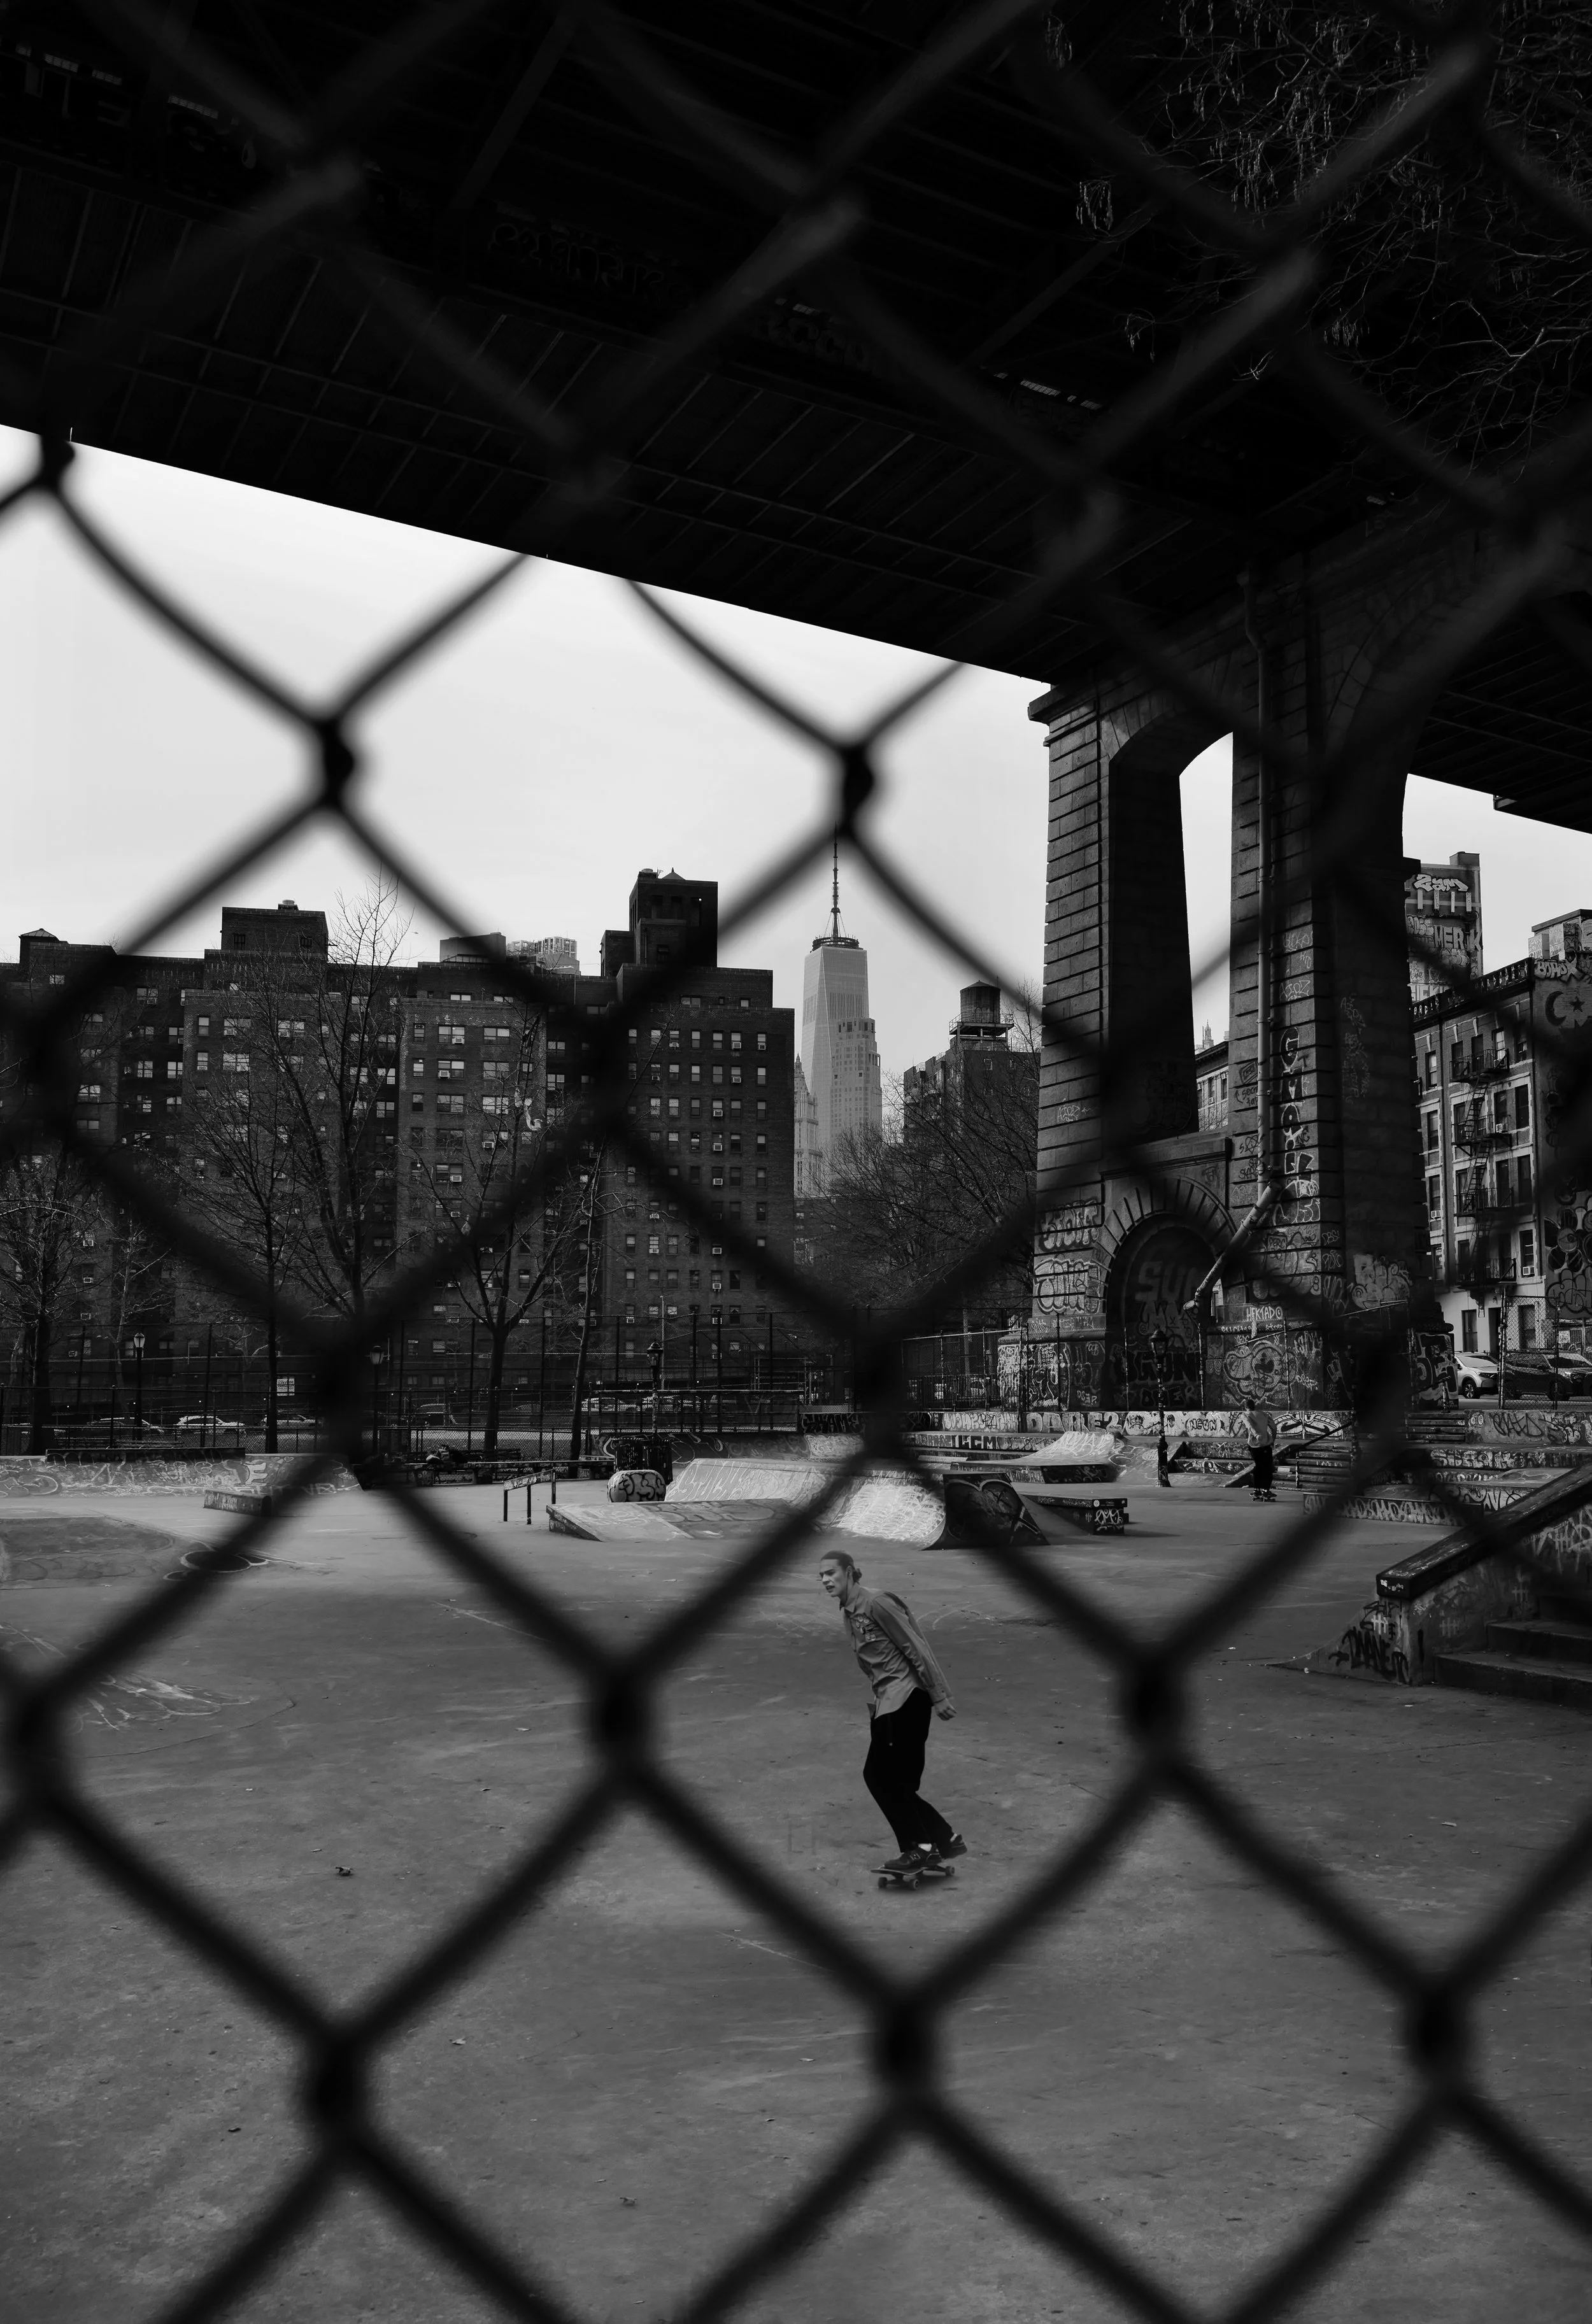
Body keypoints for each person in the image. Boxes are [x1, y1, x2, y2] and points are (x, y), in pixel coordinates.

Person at [817, 1548, 964, 1878]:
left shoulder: (877, 1603)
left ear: (852, 1572)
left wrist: (939, 1695)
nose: (826, 1580)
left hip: (908, 1698)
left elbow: (916, 1646)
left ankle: (920, 1848)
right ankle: (943, 1839)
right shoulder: (850, 1611)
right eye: (822, 1576)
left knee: (882, 1777)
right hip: (888, 1701)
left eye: (832, 1573)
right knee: (893, 1781)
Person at [1240, 1398, 1277, 1499]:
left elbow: (1249, 1426)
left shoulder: (1245, 1415)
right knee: (1267, 1468)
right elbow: (1274, 1428)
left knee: (1259, 1467)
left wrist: (1256, 1435)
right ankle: (1266, 1491)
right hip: (1267, 1445)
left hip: (1254, 1446)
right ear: (1254, 1406)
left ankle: (1257, 1490)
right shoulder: (1265, 1415)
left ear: (1246, 1407)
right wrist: (1272, 1440)